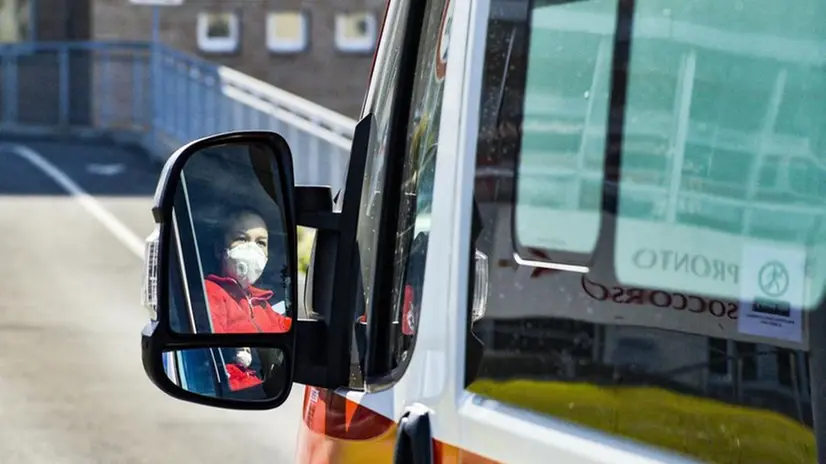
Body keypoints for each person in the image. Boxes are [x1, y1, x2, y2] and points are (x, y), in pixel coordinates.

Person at [204, 208, 292, 334]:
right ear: (219, 249)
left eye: (260, 243)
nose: (252, 249)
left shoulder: (262, 303)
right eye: (242, 239)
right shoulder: (211, 293)